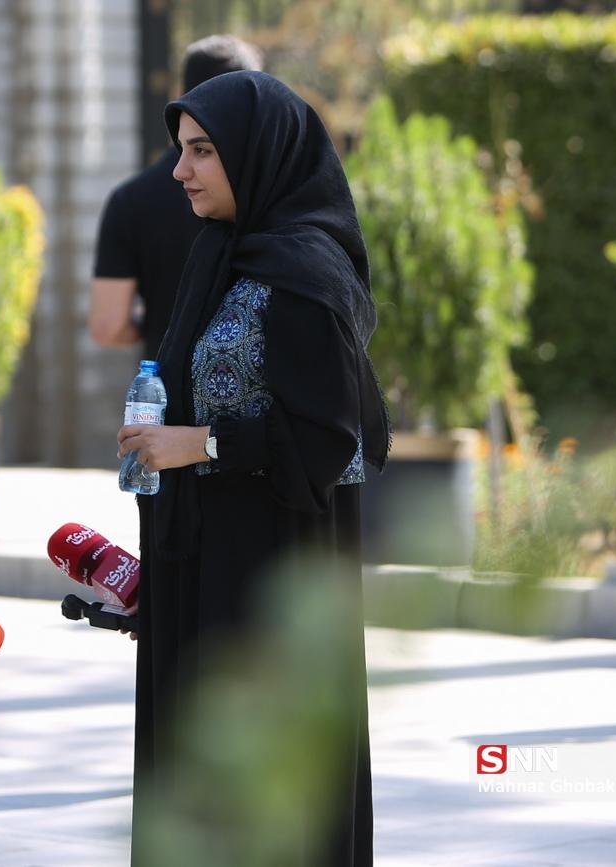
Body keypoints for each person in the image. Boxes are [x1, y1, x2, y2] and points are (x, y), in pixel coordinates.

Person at [116, 71, 390, 865]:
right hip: (205, 565)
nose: (180, 170)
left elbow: (328, 439)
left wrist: (199, 444)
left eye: (203, 151)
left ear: (257, 153)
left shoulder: (306, 272)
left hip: (274, 576)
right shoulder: (222, 256)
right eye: (181, 150)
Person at [90, 35, 262, 357]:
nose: (184, 175)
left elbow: (108, 325)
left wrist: (167, 325)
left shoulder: (131, 199)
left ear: (182, 96)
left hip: (166, 379)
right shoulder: (273, 194)